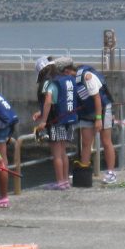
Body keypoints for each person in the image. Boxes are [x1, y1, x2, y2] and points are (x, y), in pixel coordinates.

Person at [32, 57, 78, 189]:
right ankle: (66, 181)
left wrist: (44, 120)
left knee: (57, 154)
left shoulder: (51, 82)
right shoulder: (67, 80)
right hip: (68, 120)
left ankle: (60, 182)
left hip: (56, 121)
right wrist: (41, 113)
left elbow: (48, 101)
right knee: (63, 153)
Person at [74, 64, 119, 183]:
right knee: (86, 142)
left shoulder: (87, 77)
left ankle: (111, 172)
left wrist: (99, 119)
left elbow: (97, 98)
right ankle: (84, 171)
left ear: (68, 71)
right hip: (87, 112)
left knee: (106, 141)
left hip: (103, 110)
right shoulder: (72, 81)